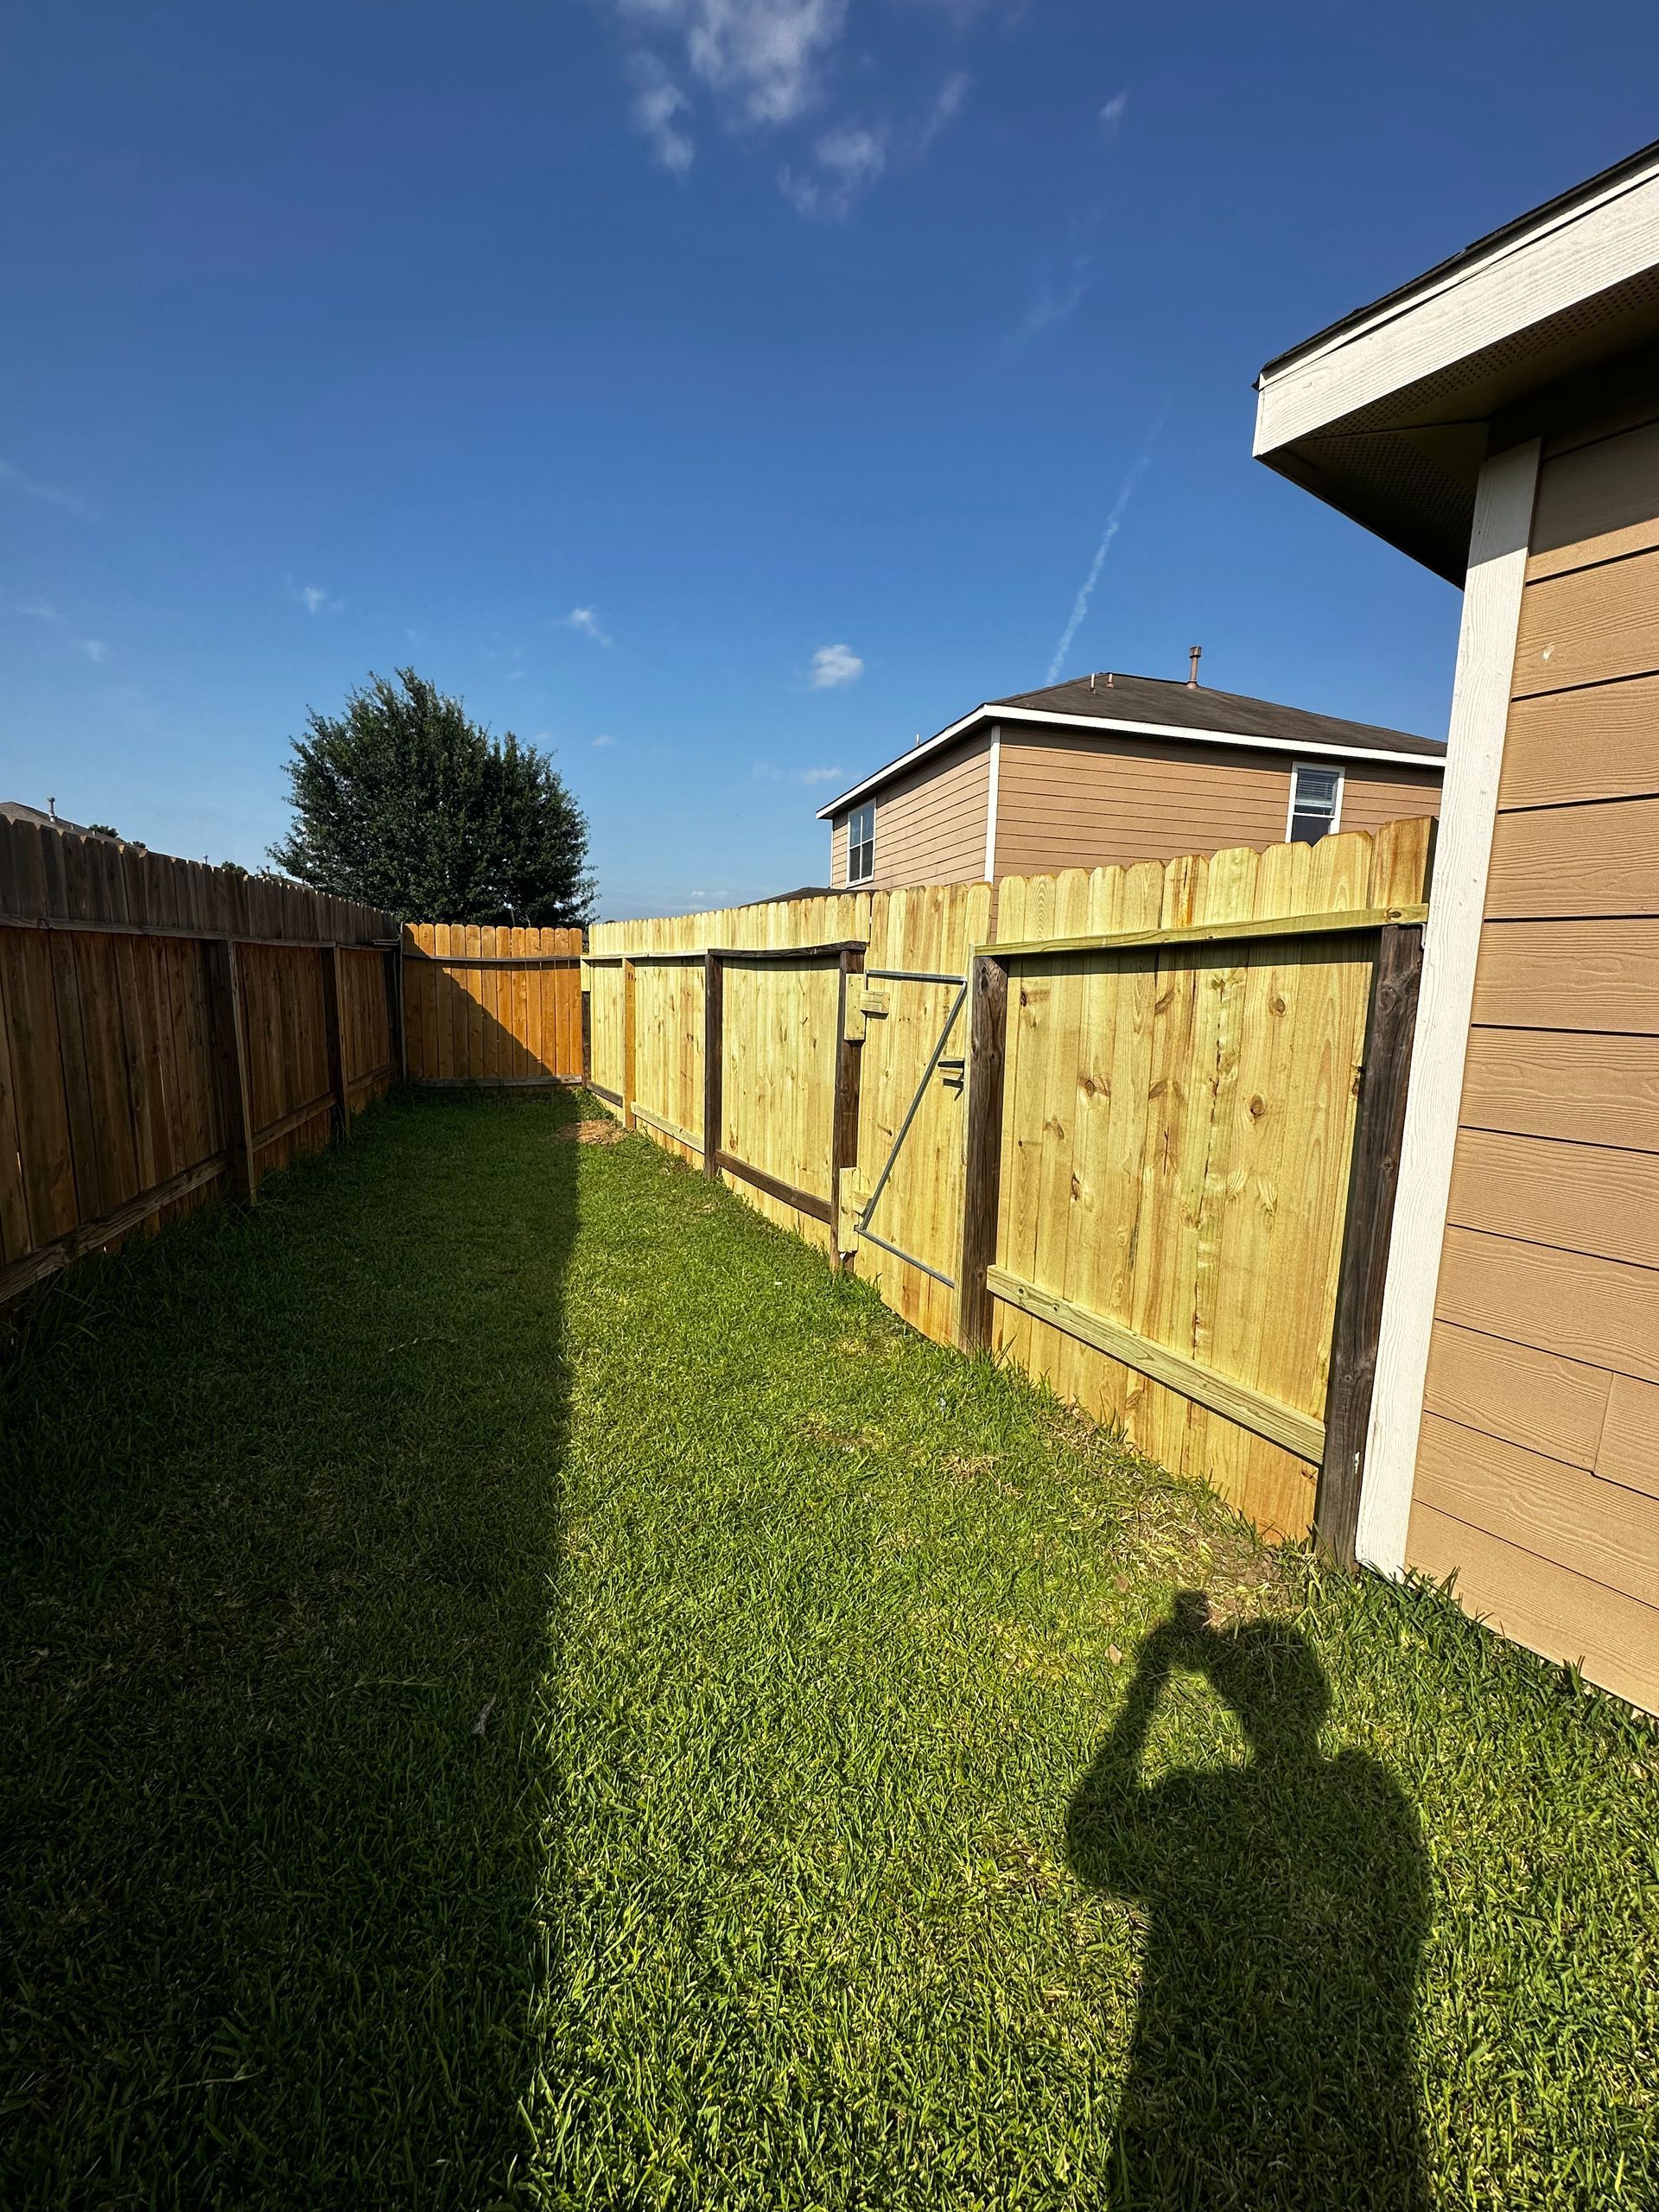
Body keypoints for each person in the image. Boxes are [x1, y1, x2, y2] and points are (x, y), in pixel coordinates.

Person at [1065, 1591, 1431, 2209]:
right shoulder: (1380, 1798)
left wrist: (1149, 1681)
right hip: (1376, 2132)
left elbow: (1091, 1843)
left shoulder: (1206, 1795)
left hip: (1181, 2123)